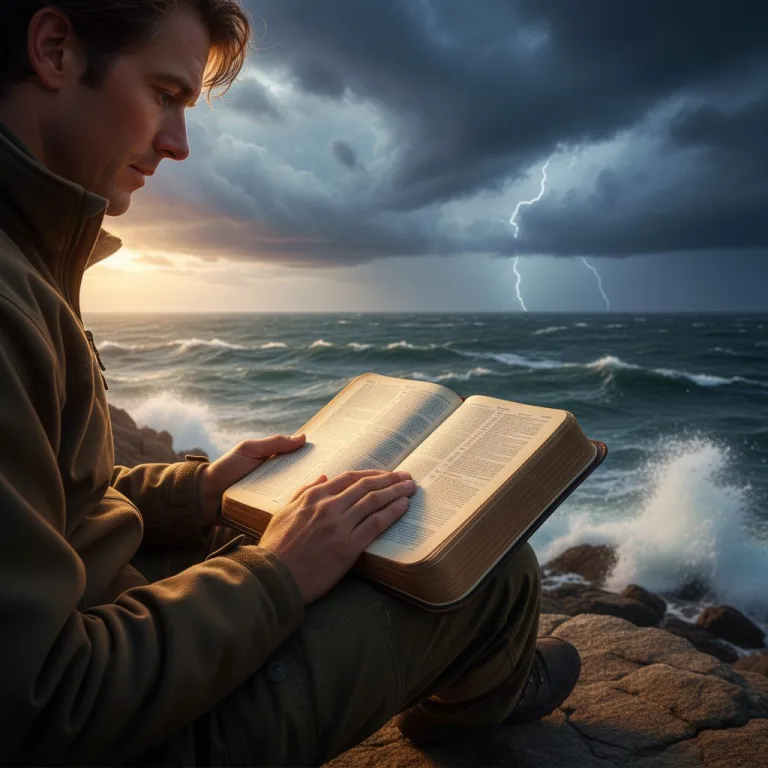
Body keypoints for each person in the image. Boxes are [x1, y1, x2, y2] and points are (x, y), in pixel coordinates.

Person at [0, 1, 581, 765]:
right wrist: (274, 573)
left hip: (109, 621)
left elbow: (57, 505)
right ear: (53, 49)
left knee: (336, 525)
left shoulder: (28, 259)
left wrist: (198, 491)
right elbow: (42, 709)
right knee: (490, 574)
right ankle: (476, 692)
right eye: (167, 95)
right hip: (125, 732)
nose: (177, 145)